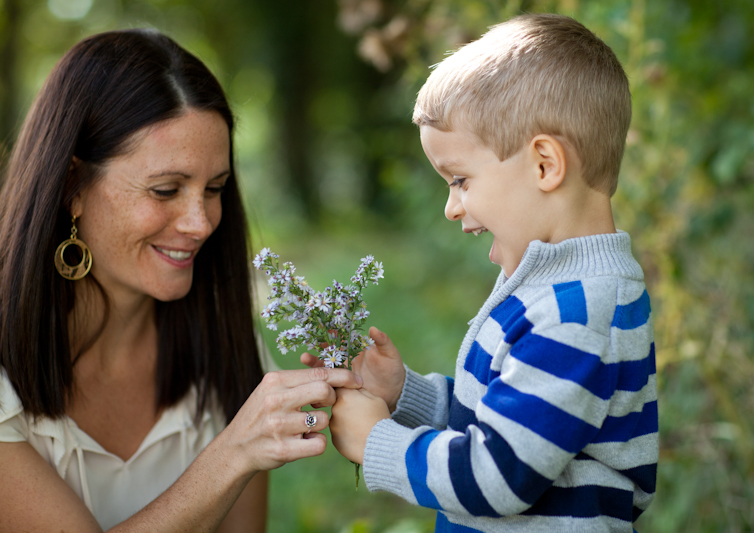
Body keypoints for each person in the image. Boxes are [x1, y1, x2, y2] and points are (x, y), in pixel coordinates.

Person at [0, 29, 362, 532]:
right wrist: (233, 453)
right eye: (166, 189)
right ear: (71, 186)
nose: (201, 223)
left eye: (214, 188)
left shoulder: (226, 344)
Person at [322, 13, 658, 532]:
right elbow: (508, 421)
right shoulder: (555, 287)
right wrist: (404, 394)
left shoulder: (578, 311)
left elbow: (499, 477)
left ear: (545, 165)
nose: (451, 207)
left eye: (459, 180)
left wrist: (377, 443)